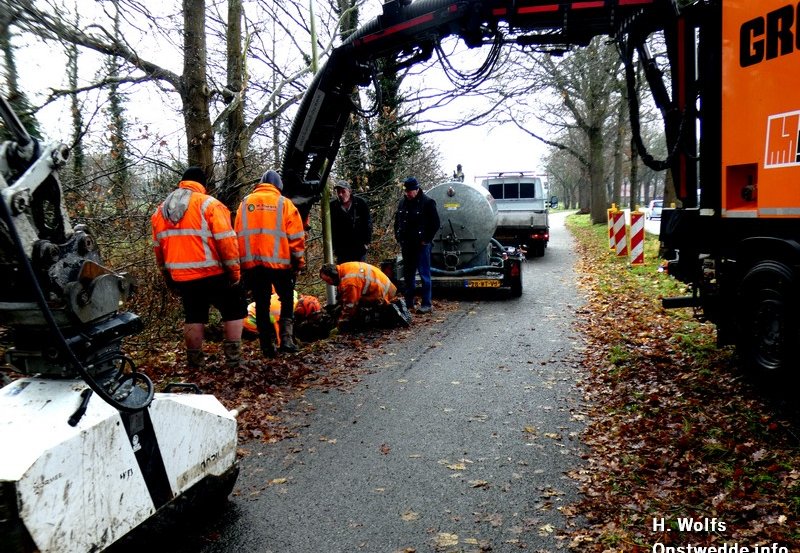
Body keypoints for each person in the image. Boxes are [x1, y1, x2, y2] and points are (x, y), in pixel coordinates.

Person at [151, 166, 245, 369]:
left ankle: (195, 362)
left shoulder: (160, 211)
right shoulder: (210, 205)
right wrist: (234, 273)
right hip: (213, 273)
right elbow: (227, 242)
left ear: (182, 182)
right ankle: (233, 360)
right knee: (234, 311)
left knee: (193, 315)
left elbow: (158, 248)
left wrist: (168, 276)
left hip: (182, 276)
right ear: (203, 184)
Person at [234, 170, 306, 357]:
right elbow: (297, 237)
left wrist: (240, 264)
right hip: (280, 265)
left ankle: (266, 345)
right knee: (287, 299)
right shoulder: (284, 204)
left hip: (252, 265)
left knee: (262, 303)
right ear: (278, 186)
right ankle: (287, 340)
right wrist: (298, 262)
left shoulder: (245, 203)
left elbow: (236, 234)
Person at [393, 176, 440, 314]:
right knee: (409, 275)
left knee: (424, 274)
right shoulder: (402, 203)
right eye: (406, 191)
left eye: (410, 191)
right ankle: (409, 302)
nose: (408, 193)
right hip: (407, 244)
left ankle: (426, 303)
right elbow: (398, 222)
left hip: (421, 245)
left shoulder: (427, 202)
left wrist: (426, 239)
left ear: (417, 189)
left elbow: (435, 223)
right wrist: (398, 237)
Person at [319, 262, 411, 331]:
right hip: (386, 287)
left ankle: (374, 317)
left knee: (355, 309)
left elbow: (350, 306)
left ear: (333, 275)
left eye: (328, 280)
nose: (329, 284)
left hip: (382, 294)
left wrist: (340, 325)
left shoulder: (349, 282)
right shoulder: (343, 268)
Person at [329, 179, 372, 263]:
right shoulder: (332, 206)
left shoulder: (360, 203)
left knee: (359, 272)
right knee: (345, 273)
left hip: (359, 246)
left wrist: (367, 242)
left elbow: (368, 223)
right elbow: (330, 228)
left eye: (343, 191)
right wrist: (333, 247)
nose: (340, 194)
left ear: (349, 191)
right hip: (342, 248)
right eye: (338, 192)